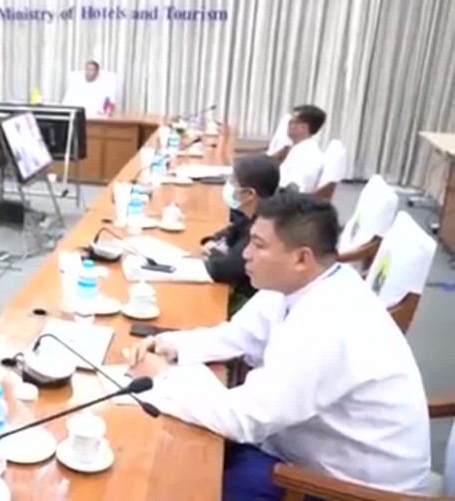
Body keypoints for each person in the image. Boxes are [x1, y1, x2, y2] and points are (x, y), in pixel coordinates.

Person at [126, 192, 431, 499]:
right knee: (188, 448)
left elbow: (246, 419)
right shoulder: (303, 284)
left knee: (185, 478)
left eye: (259, 245)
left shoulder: (328, 320)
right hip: (302, 450)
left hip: (352, 488)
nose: (245, 254)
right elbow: (238, 335)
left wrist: (163, 378)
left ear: (301, 259)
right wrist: (171, 345)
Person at [202, 155, 281, 309]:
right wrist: (213, 240)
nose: (228, 185)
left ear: (249, 194)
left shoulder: (263, 225)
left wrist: (213, 253)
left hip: (249, 300)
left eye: (233, 182)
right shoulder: (253, 214)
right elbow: (231, 231)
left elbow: (225, 269)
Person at [278, 105, 326, 192]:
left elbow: (294, 188)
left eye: (292, 122)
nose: (288, 125)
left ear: (304, 127)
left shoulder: (309, 154)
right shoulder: (299, 148)